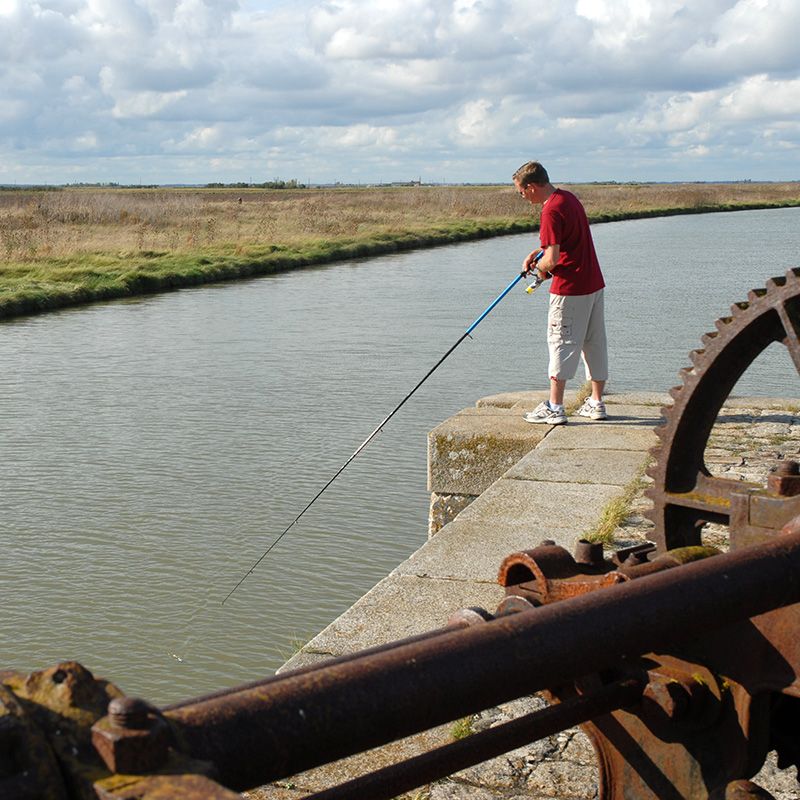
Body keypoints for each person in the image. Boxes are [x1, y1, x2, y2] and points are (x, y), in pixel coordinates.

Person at [512, 161, 608, 425]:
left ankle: (555, 407)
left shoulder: (550, 211)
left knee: (560, 342)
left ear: (531, 187)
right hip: (593, 283)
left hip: (569, 289)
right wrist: (539, 252)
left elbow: (552, 259)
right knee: (594, 343)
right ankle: (596, 402)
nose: (521, 196)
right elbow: (563, 245)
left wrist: (541, 269)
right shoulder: (568, 199)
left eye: (520, 191)